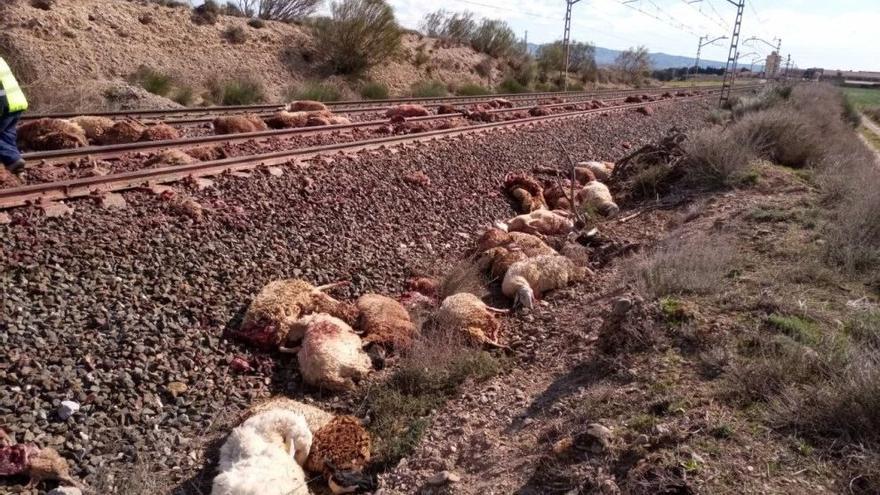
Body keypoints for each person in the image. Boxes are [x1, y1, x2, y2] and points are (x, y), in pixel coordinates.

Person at [0, 56, 28, 174]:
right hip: (17, 102)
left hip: (4, 104)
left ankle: (13, 160)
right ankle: (16, 167)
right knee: (6, 135)